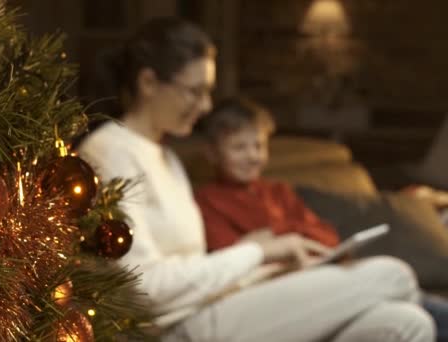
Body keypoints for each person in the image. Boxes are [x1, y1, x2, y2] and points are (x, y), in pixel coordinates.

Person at [78, 17, 435, 342]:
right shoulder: (109, 151)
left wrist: (272, 269)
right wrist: (256, 251)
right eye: (195, 91)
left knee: (405, 322)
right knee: (393, 275)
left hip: (209, 310)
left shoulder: (167, 157)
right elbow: (142, 289)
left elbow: (198, 275)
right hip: (169, 330)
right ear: (149, 82)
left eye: (209, 91)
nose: (205, 106)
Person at [195, 97, 448, 341]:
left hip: (321, 273)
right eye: (239, 147)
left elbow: (326, 236)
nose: (252, 156)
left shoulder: (278, 192)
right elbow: (231, 260)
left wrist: (277, 236)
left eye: (259, 146)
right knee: (397, 283)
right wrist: (291, 239)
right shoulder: (206, 201)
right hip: (276, 293)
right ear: (212, 153)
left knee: (407, 315)